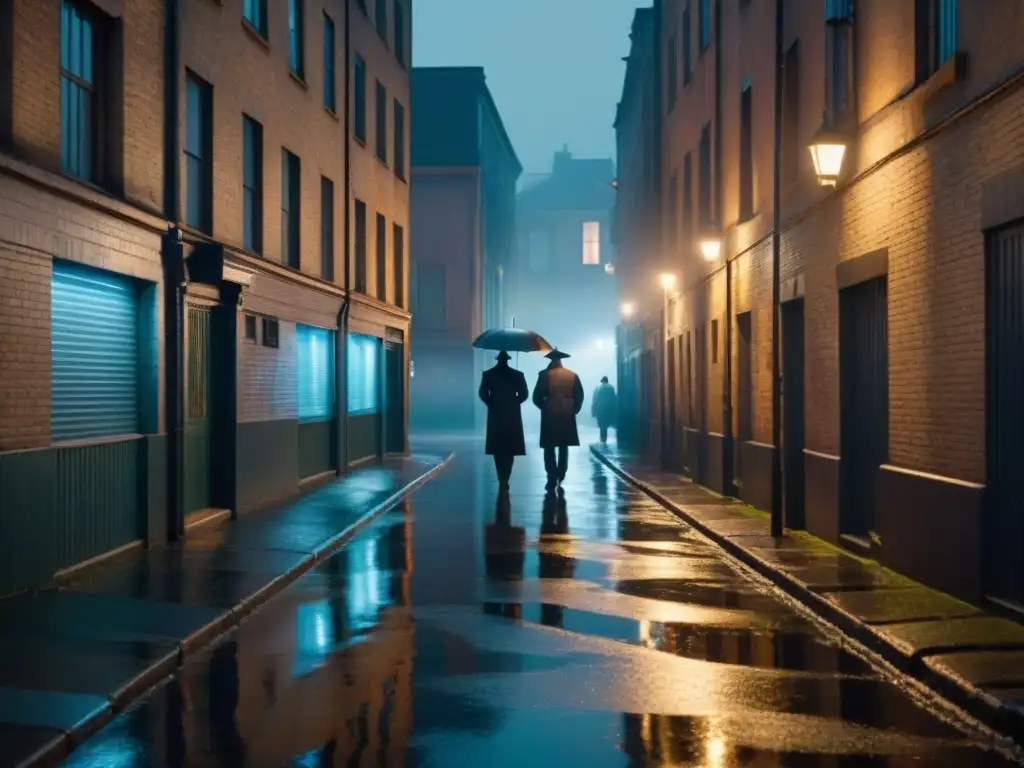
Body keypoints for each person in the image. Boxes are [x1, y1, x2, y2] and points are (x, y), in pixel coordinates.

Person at [532, 348, 585, 492]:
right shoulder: (572, 375)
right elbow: (579, 395)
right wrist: (574, 409)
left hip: (549, 413)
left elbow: (536, 397)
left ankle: (551, 476)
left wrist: (544, 406)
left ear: (550, 361)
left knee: (549, 447)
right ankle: (561, 473)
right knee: (564, 445)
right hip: (567, 412)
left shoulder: (544, 375)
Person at [478, 350, 529, 490]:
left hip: (495, 413)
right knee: (510, 447)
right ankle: (506, 476)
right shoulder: (517, 375)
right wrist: (515, 402)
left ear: (498, 360)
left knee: (497, 448)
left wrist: (491, 403)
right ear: (508, 360)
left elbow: (482, 393)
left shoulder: (488, 375)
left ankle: (501, 477)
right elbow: (524, 394)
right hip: (512, 413)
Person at [592, 376, 617, 444]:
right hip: (608, 409)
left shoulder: (598, 388)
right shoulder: (611, 388)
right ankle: (604, 438)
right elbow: (614, 399)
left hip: (600, 409)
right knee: (606, 424)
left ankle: (603, 438)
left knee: (602, 424)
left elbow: (595, 400)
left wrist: (593, 411)